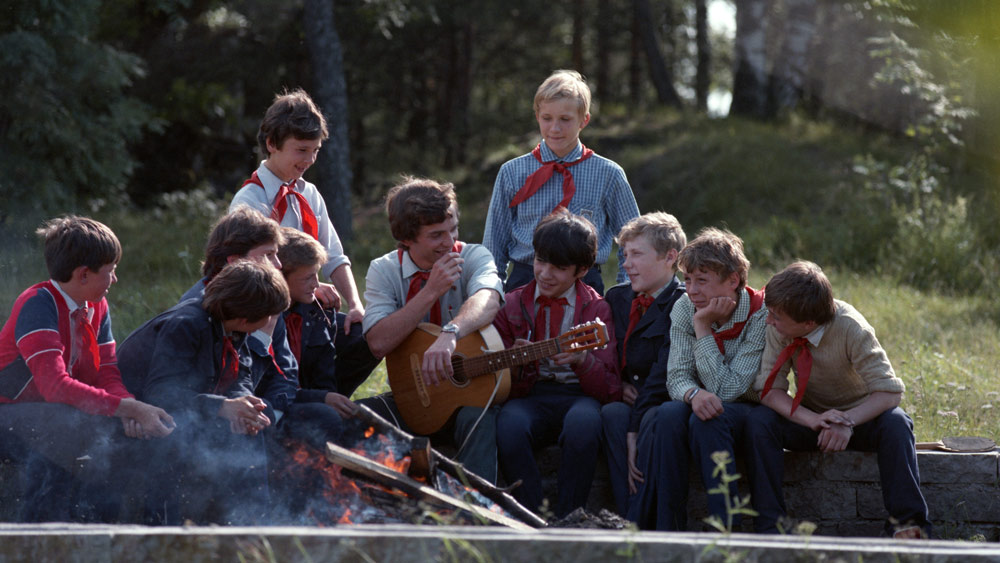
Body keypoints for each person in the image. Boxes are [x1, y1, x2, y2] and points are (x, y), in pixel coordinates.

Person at [0, 216, 175, 522]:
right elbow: (54, 386)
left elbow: (106, 370)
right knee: (63, 431)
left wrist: (130, 409)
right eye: (111, 271)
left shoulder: (96, 306)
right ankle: (38, 541)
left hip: (48, 415)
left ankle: (102, 533)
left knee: (111, 438)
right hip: (9, 413)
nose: (116, 280)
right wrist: (125, 407)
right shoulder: (38, 304)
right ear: (83, 274)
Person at [745, 261, 931, 538]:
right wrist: (815, 420)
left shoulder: (851, 327)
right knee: (759, 422)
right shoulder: (778, 327)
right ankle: (770, 528)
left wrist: (847, 422)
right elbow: (769, 391)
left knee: (897, 423)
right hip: (812, 419)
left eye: (776, 316)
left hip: (861, 417)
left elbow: (890, 392)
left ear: (808, 323)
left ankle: (907, 524)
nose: (769, 320)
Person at [118, 261, 289, 524]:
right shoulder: (186, 325)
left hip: (183, 412)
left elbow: (241, 375)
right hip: (132, 419)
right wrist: (222, 407)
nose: (271, 323)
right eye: (269, 316)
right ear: (245, 317)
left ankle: (251, 524)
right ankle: (164, 533)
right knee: (177, 440)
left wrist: (244, 406)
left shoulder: (234, 327)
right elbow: (162, 394)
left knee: (248, 434)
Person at [231, 88, 376, 391]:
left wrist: (355, 304)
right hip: (268, 313)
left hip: (307, 310)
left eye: (316, 150)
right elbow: (248, 274)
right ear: (272, 144)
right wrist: (301, 286)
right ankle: (303, 401)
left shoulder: (308, 193)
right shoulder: (251, 200)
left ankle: (329, 397)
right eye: (301, 150)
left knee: (368, 334)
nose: (310, 159)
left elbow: (334, 255)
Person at [360, 177, 504, 483]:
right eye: (436, 235)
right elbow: (377, 342)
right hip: (414, 395)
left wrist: (450, 333)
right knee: (351, 419)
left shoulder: (474, 255)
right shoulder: (384, 270)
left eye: (452, 230)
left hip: (467, 398)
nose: (450, 242)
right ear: (407, 238)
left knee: (479, 417)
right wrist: (430, 291)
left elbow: (488, 300)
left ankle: (477, 512)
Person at [628, 227, 767, 531]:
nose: (691, 291)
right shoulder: (684, 307)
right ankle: (669, 530)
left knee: (706, 420)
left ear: (733, 280)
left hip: (750, 408)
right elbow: (676, 376)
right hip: (704, 401)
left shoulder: (759, 313)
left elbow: (730, 390)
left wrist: (703, 327)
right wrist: (693, 394)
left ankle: (724, 529)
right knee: (666, 414)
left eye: (702, 281)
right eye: (688, 280)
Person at [493, 210, 621, 517]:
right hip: (529, 396)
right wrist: (515, 365)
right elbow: (495, 376)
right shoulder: (511, 304)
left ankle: (570, 516)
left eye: (559, 267)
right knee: (509, 425)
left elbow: (611, 387)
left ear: (582, 270)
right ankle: (531, 516)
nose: (545, 273)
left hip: (578, 396)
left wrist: (583, 360)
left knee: (585, 424)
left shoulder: (596, 310)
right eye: (540, 261)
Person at [483, 69, 640, 295]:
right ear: (537, 116)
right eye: (547, 118)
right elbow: (494, 243)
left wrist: (627, 292)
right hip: (524, 282)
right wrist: (492, 292)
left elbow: (633, 239)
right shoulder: (512, 172)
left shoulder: (608, 173)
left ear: (583, 120)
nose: (555, 128)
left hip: (584, 283)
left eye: (565, 120)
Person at [599, 212, 687, 516]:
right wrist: (619, 384)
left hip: (665, 400)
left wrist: (633, 429)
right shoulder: (617, 298)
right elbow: (608, 357)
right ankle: (625, 519)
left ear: (669, 257)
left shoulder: (683, 302)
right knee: (611, 413)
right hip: (631, 398)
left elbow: (665, 371)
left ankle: (647, 526)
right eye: (625, 255)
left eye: (636, 254)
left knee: (653, 421)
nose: (626, 264)